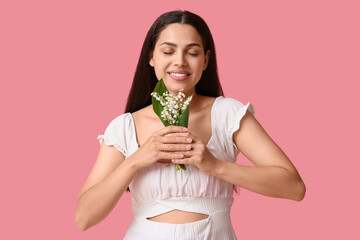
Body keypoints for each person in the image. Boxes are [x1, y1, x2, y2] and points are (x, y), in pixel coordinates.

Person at [75, 10, 306, 239]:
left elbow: (294, 188)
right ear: (151, 57)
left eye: (192, 53)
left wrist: (214, 165)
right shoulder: (124, 127)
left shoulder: (227, 114)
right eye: (168, 51)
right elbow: (84, 218)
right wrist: (138, 159)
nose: (180, 61)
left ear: (205, 60)